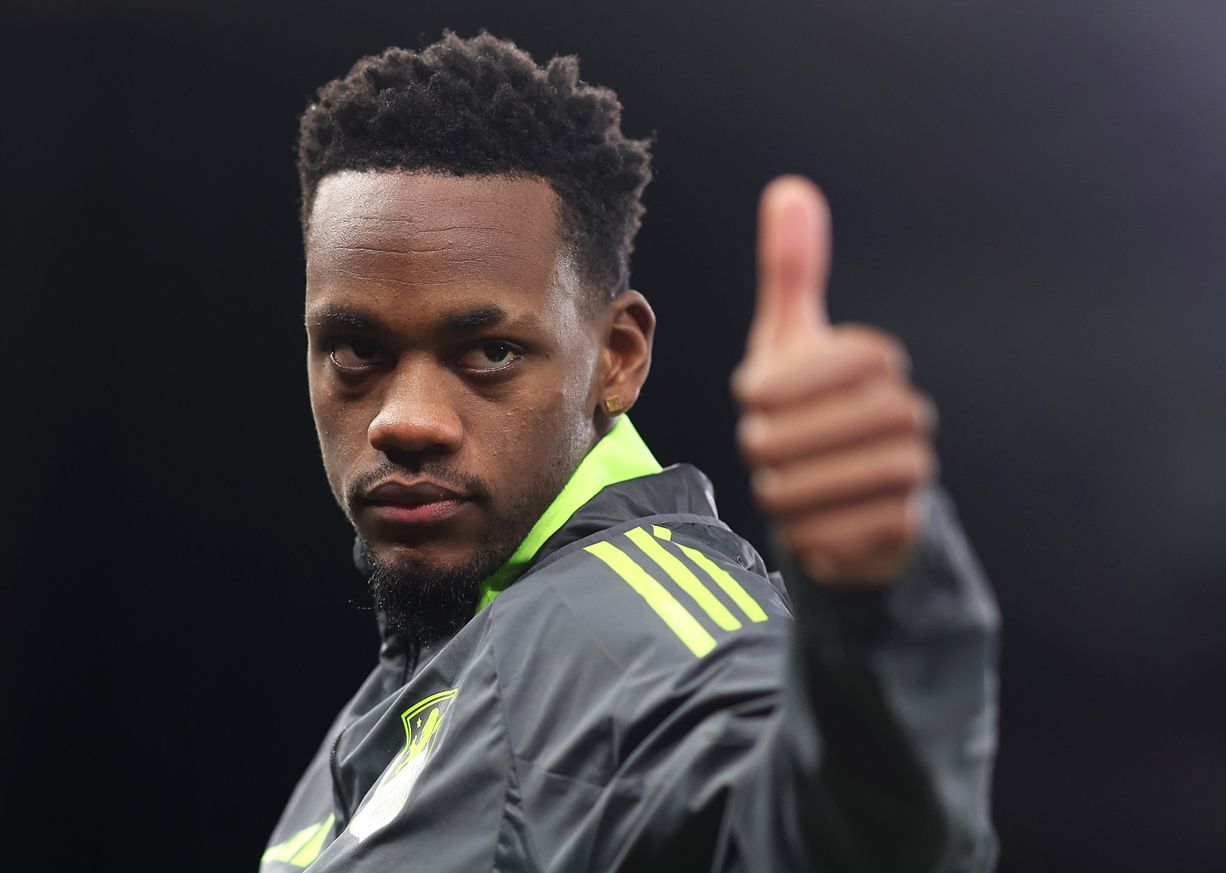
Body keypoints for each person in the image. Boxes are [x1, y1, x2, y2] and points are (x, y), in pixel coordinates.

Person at [261, 30, 999, 873]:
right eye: (357, 350)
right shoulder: (395, 701)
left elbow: (845, 842)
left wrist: (881, 610)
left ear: (617, 357)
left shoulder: (642, 641)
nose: (406, 419)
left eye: (490, 352)